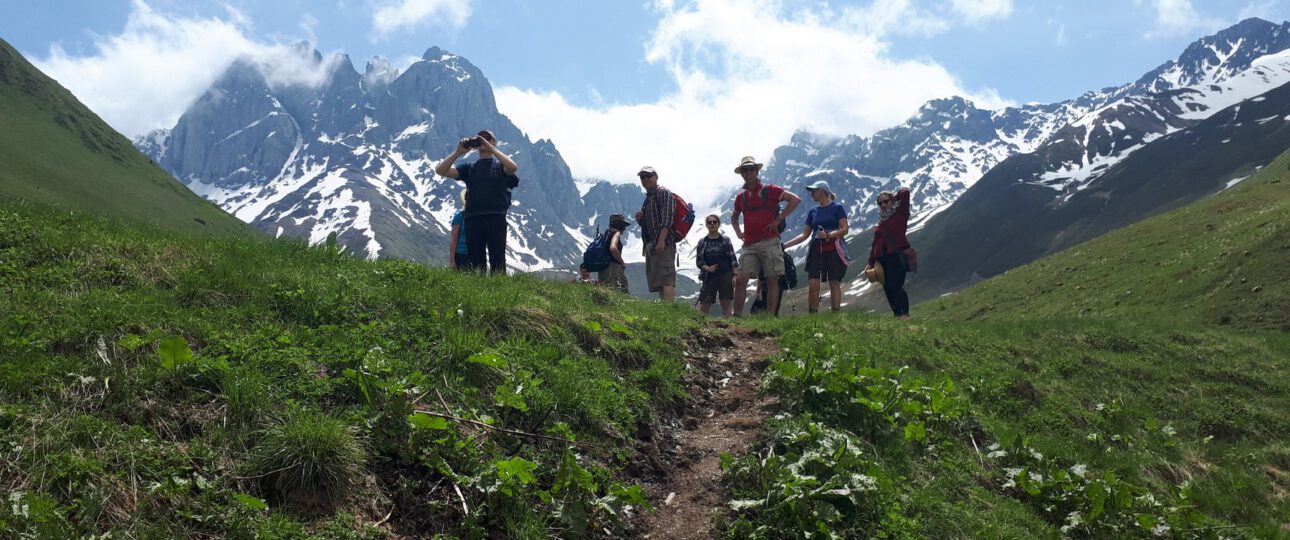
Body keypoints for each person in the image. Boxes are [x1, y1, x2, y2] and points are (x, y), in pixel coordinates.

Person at [434, 130, 519, 275]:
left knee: (497, 259)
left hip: (496, 217)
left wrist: (491, 148)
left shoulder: (499, 166)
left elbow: (512, 167)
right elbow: (441, 171)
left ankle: (498, 290)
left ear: (493, 142)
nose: (482, 140)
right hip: (473, 218)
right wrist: (457, 152)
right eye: (479, 138)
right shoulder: (469, 168)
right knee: (476, 261)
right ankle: (479, 289)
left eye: (487, 138)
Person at [730, 156, 801, 316]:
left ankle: (770, 317)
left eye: (751, 169)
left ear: (756, 171)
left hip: (770, 241)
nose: (748, 173)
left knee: (771, 279)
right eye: (745, 170)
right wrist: (738, 232)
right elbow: (734, 217)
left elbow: (795, 200)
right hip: (749, 244)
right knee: (741, 279)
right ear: (741, 174)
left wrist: (779, 219)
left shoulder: (771, 190)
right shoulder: (741, 198)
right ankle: (736, 317)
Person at [783, 180, 849, 313]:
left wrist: (829, 235)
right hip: (816, 248)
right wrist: (785, 245)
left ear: (823, 191)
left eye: (814, 191)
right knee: (813, 283)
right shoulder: (812, 211)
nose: (811, 194)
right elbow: (804, 234)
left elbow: (845, 229)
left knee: (834, 282)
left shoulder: (837, 208)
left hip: (834, 248)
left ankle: (835, 315)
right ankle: (812, 315)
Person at [867, 188, 912, 319]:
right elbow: (875, 243)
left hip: (897, 255)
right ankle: (897, 315)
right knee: (887, 287)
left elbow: (905, 192)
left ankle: (904, 314)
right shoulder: (880, 223)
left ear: (892, 201)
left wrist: (894, 197)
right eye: (880, 203)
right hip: (882, 259)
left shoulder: (900, 215)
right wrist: (870, 263)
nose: (883, 205)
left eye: (886, 201)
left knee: (895, 284)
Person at [633, 166, 676, 300]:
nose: (645, 179)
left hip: (664, 243)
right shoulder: (648, 199)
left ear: (656, 176)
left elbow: (668, 218)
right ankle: (666, 310)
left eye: (648, 176)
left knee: (666, 278)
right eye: (642, 177)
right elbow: (650, 224)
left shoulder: (663, 192)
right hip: (653, 245)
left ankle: (670, 311)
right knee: (659, 280)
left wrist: (662, 240)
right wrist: (640, 220)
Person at [695, 214, 737, 317]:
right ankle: (700, 327)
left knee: (726, 303)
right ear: (707, 225)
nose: (712, 224)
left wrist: (735, 275)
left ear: (719, 224)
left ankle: (729, 329)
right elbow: (699, 262)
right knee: (705, 303)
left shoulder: (726, 240)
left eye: (715, 222)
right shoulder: (702, 242)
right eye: (710, 222)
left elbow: (733, 259)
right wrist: (708, 268)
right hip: (709, 276)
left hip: (726, 275)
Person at [585, 214, 630, 294]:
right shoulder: (616, 233)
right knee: (621, 292)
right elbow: (613, 248)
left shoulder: (606, 233)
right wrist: (622, 262)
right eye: (623, 225)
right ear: (619, 224)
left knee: (606, 293)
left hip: (603, 268)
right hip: (613, 268)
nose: (625, 228)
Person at [448, 189, 472, 271]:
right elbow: (453, 240)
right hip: (460, 255)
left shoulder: (478, 218)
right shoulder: (459, 217)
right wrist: (452, 260)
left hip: (474, 255)